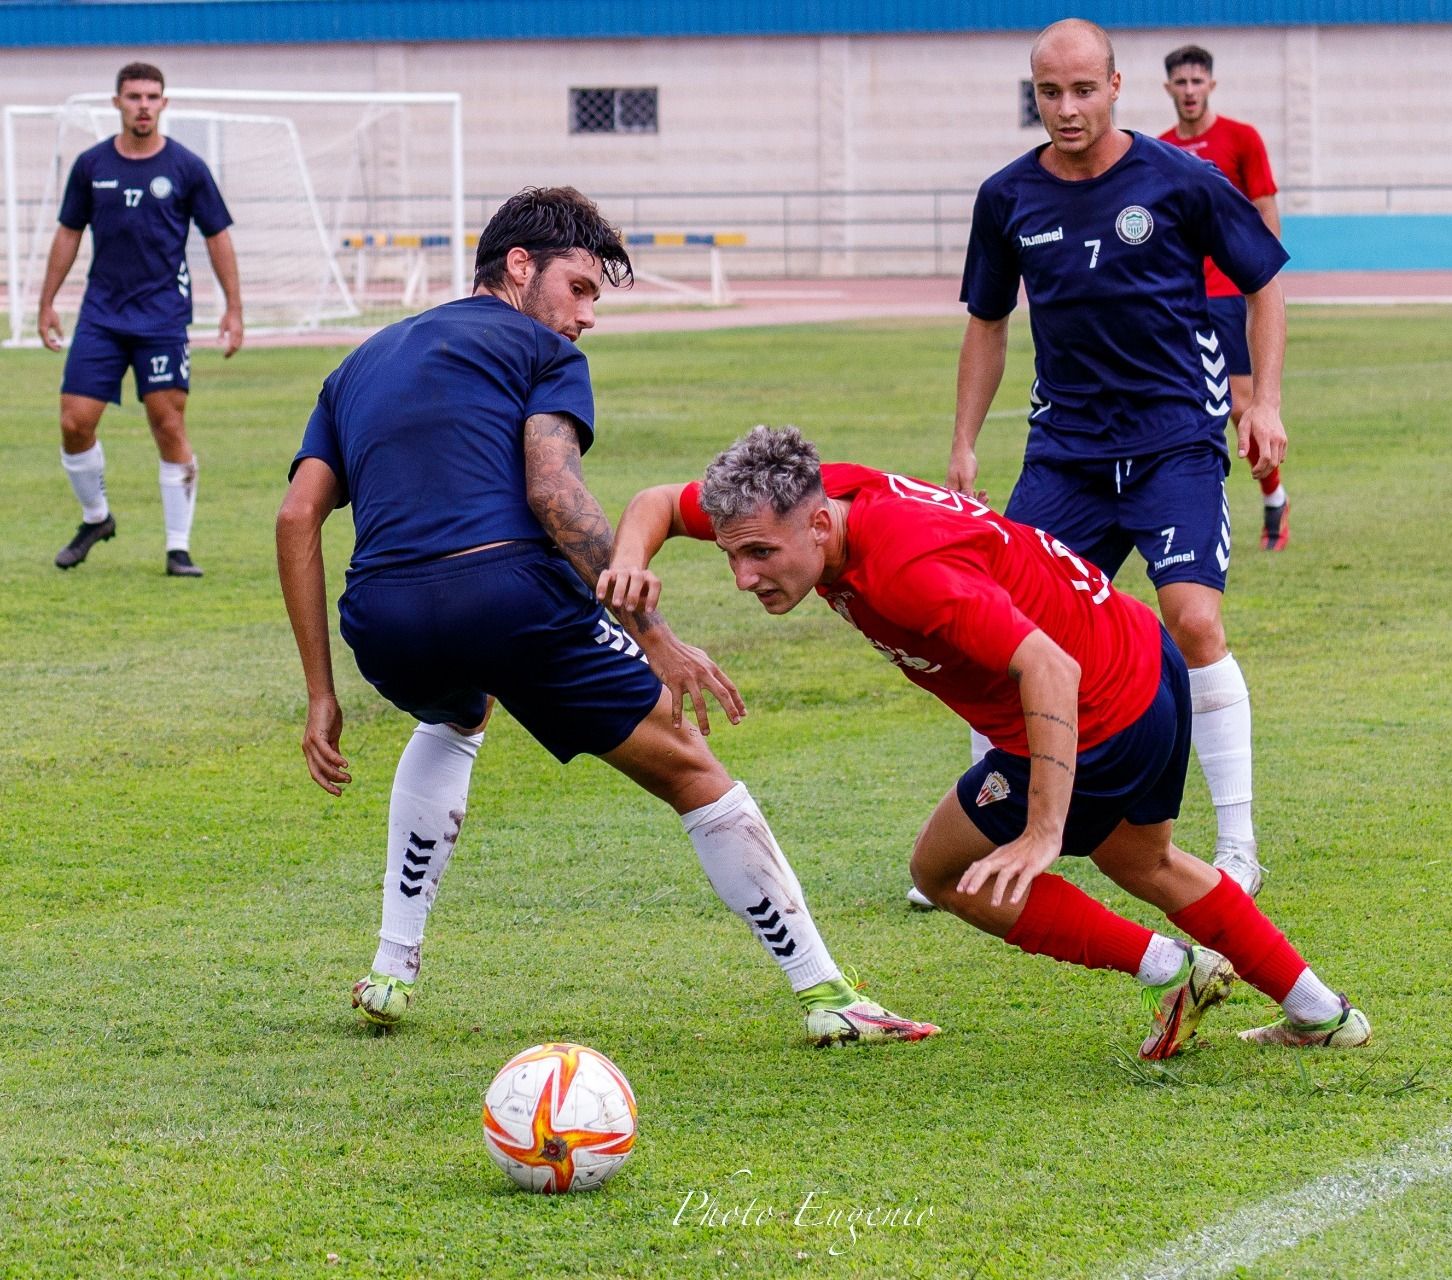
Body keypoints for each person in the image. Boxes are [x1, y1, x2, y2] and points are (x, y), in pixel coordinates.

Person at [275, 187, 935, 1048]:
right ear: (520, 267)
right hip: (509, 594)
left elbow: (297, 518)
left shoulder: (358, 363)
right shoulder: (538, 347)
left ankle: (393, 970)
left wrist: (321, 693)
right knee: (691, 767)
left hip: (382, 616)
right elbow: (553, 490)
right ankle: (829, 995)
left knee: (456, 710)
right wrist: (656, 639)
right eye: (580, 288)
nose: (586, 315)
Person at [602, 426, 1370, 1057]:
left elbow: (1047, 667)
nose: (742, 576)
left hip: (1095, 706)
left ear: (820, 525)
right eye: (731, 554)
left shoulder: (906, 569)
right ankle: (1323, 1013)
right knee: (1148, 862)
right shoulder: (806, 496)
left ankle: (1173, 969)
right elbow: (658, 503)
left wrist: (1042, 830)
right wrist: (632, 572)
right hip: (1143, 654)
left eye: (759, 555)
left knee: (945, 871)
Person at [948, 19, 1285, 897]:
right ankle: (995, 825)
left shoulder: (1179, 179)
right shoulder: (1006, 196)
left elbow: (1264, 282)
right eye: (1049, 93)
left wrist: (1268, 402)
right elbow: (988, 322)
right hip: (1065, 456)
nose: (1066, 109)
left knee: (1193, 620)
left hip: (1174, 441)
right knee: (998, 635)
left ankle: (1239, 846)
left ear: (1116, 85)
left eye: (1083, 90)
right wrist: (964, 444)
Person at [40, 61, 244, 578]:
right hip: (102, 316)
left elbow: (217, 236)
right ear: (117, 103)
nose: (144, 106)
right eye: (134, 97)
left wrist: (234, 308)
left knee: (168, 424)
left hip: (162, 317)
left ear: (164, 104)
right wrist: (46, 302)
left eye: (153, 97)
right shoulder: (90, 165)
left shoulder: (186, 168)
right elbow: (68, 233)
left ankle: (178, 548)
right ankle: (96, 518)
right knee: (73, 422)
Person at [1159, 44, 1289, 551]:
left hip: (1231, 295)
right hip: (1182, 302)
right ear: (1168, 88)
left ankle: (1274, 497)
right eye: (1181, 83)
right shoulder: (1161, 148)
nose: (1190, 91)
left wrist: (1265, 283)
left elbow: (1264, 208)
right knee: (1184, 407)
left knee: (1240, 405)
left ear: (1210, 85)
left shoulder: (1241, 138)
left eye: (1198, 82)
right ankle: (1188, 513)